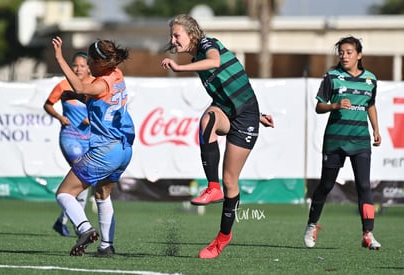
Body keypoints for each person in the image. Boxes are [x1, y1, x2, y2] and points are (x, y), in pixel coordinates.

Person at [161, 14, 274, 259]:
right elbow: (228, 90)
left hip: (245, 117)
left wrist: (179, 68)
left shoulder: (207, 44)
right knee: (207, 120)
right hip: (231, 111)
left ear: (191, 34)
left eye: (176, 35)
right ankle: (212, 187)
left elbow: (214, 61)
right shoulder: (196, 56)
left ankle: (222, 238)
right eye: (172, 36)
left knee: (231, 181)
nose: (173, 40)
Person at [51, 36, 135, 257]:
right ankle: (106, 246)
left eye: (90, 61)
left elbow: (82, 86)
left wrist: (60, 58)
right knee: (102, 194)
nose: (87, 65)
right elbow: (89, 91)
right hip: (124, 149)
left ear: (101, 62)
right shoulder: (117, 74)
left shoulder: (100, 84)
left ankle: (84, 229)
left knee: (64, 193)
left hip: (105, 151)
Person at [303, 36, 381, 250]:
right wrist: (335, 105)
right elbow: (319, 106)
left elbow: (370, 105)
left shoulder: (371, 80)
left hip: (360, 140)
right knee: (326, 185)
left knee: (364, 186)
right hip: (335, 140)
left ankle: (368, 233)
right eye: (341, 52)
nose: (344, 56)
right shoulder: (332, 77)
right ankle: (311, 225)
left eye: (349, 52)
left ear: (359, 55)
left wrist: (376, 129)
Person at [44, 52, 94, 237]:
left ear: (89, 67)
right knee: (82, 175)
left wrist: (92, 119)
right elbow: (48, 104)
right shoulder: (64, 85)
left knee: (84, 181)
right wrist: (59, 117)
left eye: (82, 65)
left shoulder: (94, 85)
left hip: (89, 140)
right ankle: (80, 225)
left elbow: (102, 109)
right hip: (70, 138)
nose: (78, 69)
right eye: (75, 65)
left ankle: (63, 221)